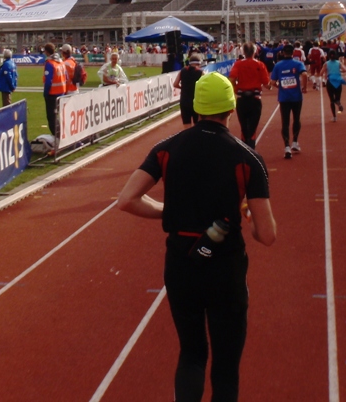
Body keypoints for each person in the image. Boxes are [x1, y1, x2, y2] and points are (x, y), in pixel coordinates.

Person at [117, 72, 276, 402]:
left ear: (194, 107)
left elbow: (127, 200)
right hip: (225, 269)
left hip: (180, 265)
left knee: (191, 354)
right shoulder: (248, 158)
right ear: (231, 109)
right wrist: (246, 214)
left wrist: (170, 212)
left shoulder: (166, 148)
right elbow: (268, 235)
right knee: (226, 366)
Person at [228, 42, 269, 148]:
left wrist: (235, 88)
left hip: (242, 99)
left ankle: (245, 149)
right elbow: (266, 83)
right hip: (255, 99)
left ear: (243, 52)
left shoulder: (238, 64)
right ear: (255, 52)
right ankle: (251, 150)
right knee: (252, 129)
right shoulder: (260, 64)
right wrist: (271, 86)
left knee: (244, 128)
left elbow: (231, 79)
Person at [269, 47, 308, 158]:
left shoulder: (278, 65)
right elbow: (305, 74)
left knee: (285, 122)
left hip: (284, 98)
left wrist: (280, 86)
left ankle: (287, 146)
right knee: (296, 119)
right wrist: (304, 88)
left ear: (283, 53)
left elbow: (272, 82)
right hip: (296, 97)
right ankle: (295, 142)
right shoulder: (298, 63)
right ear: (293, 53)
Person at [43, 43, 68, 135]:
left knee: (51, 117)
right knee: (59, 115)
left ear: (46, 51)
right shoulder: (61, 61)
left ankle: (57, 136)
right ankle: (61, 134)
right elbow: (66, 77)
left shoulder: (50, 63)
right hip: (62, 92)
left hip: (52, 94)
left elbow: (48, 81)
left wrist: (45, 93)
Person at [173, 54, 204, 127]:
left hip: (184, 101)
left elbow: (175, 84)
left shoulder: (182, 71)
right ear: (198, 63)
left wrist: (183, 88)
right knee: (198, 125)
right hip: (196, 101)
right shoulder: (200, 72)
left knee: (186, 125)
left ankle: (188, 138)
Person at [322, 50, 346, 122]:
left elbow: (321, 73)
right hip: (338, 81)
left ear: (329, 56)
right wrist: (339, 71)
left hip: (330, 82)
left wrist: (327, 72)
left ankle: (334, 117)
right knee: (337, 98)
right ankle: (338, 103)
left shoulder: (326, 64)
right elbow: (345, 70)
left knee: (331, 100)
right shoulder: (339, 63)